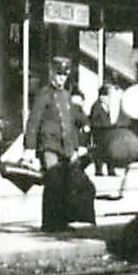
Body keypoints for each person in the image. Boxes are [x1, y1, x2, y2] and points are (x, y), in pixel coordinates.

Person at [24, 56, 89, 231]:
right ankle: (49, 223)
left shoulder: (66, 96)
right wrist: (29, 148)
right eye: (58, 74)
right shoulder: (44, 94)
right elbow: (33, 121)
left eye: (64, 75)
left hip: (66, 146)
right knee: (53, 180)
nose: (61, 79)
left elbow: (70, 124)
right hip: (49, 144)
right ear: (51, 73)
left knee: (67, 182)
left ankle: (62, 221)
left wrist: (76, 146)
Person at [89, 83, 122, 177]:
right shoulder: (97, 106)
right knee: (100, 152)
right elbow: (93, 120)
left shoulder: (105, 106)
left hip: (107, 132)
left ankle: (110, 170)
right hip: (100, 133)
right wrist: (106, 126)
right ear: (103, 96)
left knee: (109, 151)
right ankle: (99, 170)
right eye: (108, 95)